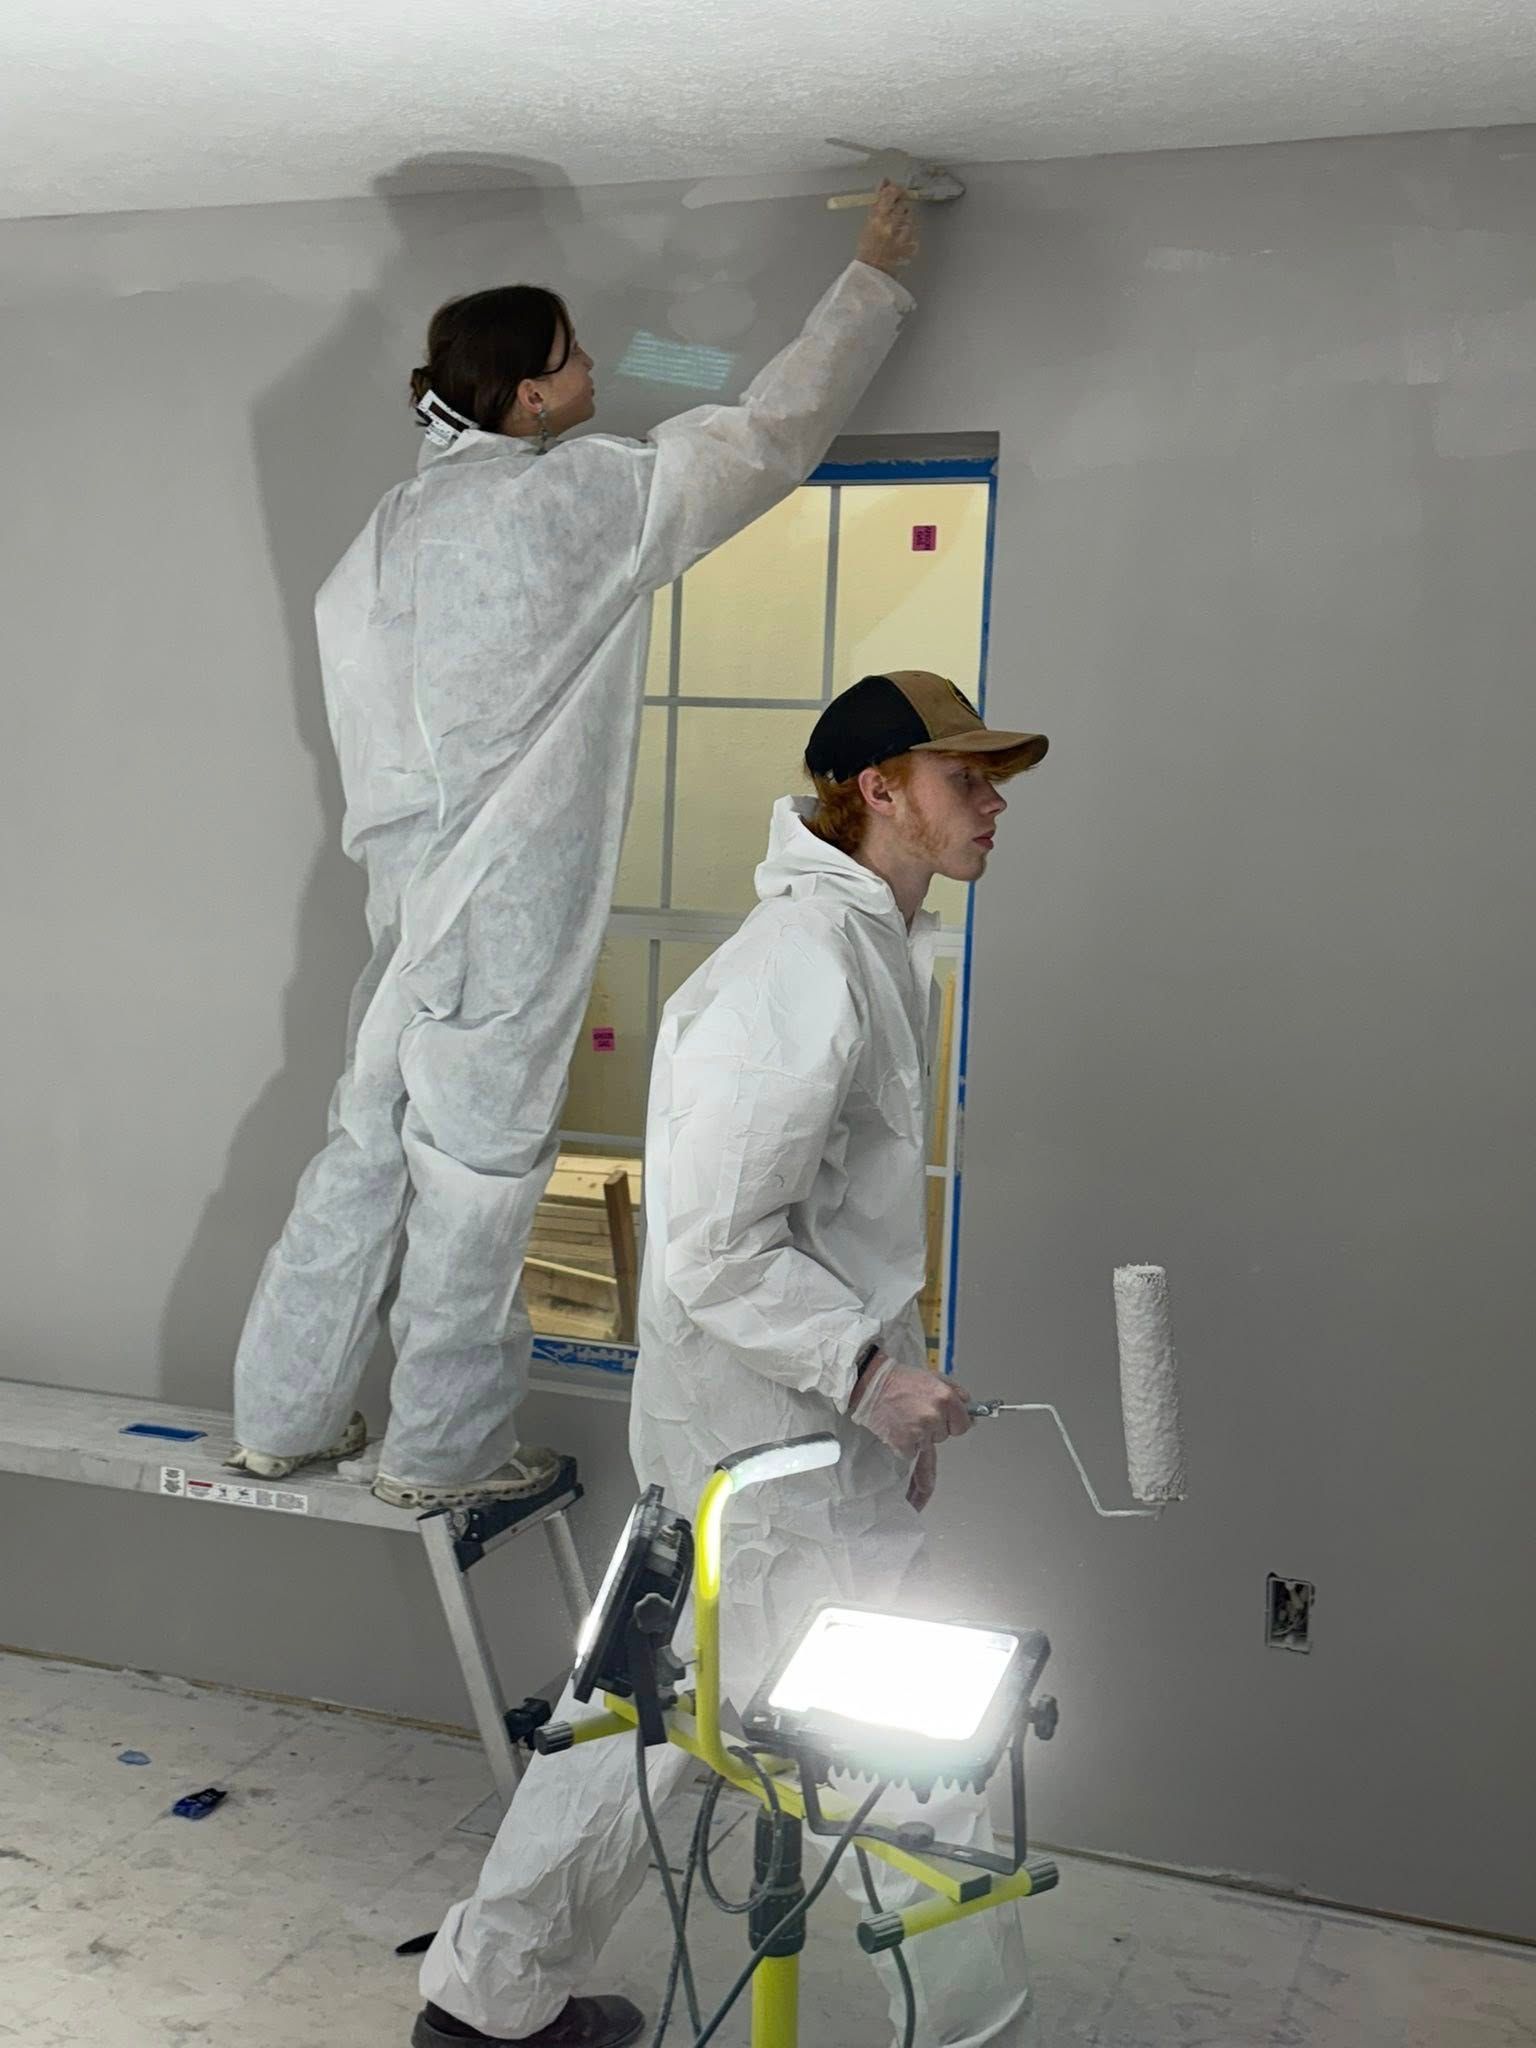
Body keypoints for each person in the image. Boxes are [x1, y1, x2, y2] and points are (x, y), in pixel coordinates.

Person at [227, 186, 922, 1511]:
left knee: (366, 1140)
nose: (604, 367)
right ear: (531, 402)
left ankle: (281, 1412)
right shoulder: (577, 508)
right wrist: (874, 276)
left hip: (409, 895)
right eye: (577, 356)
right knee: (478, 1180)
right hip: (504, 900)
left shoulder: (384, 539)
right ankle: (433, 1455)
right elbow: (766, 435)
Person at [416, 671, 1048, 2047]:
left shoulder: (873, 949)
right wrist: (875, 1383)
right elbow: (710, 1246)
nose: (995, 803)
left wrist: (893, 1411)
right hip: (769, 1477)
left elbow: (847, 1231)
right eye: (965, 778)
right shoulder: (793, 975)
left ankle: (479, 2009)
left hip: (779, 1460)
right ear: (876, 789)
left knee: (640, 1725)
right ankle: (974, 2035)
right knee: (918, 1774)